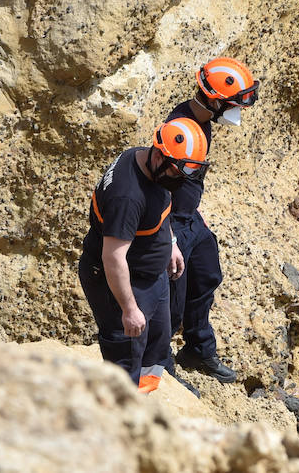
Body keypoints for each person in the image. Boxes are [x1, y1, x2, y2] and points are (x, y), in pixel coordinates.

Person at [78, 118, 207, 393]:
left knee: (156, 340)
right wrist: (128, 309)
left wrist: (170, 242)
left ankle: (145, 396)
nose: (180, 180)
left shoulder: (148, 162)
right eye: (177, 172)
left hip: (152, 274)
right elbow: (112, 258)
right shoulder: (127, 197)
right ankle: (121, 416)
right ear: (160, 156)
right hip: (123, 282)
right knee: (126, 352)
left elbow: (161, 206)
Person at [164, 56, 259, 385]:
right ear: (215, 100)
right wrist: (170, 239)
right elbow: (160, 183)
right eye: (233, 104)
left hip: (190, 220)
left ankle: (198, 350)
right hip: (170, 226)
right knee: (170, 304)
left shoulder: (201, 120)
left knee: (206, 276)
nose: (238, 111)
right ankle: (161, 368)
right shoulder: (180, 128)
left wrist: (193, 214)